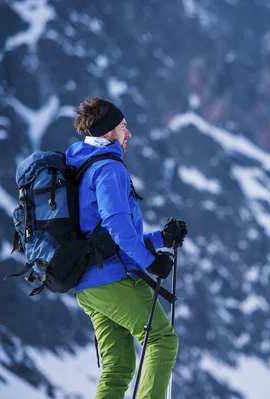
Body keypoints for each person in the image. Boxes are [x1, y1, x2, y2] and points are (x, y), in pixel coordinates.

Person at [66, 97, 188, 399]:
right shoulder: (109, 169)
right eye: (123, 127)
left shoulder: (82, 166)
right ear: (109, 133)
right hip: (113, 279)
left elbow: (106, 235)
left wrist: (163, 238)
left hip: (88, 285)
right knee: (162, 339)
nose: (128, 133)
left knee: (118, 365)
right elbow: (118, 227)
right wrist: (149, 261)